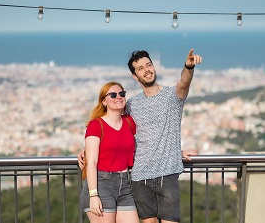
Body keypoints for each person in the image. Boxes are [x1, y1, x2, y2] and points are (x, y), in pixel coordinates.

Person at [79, 49, 202, 223]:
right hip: (139, 178)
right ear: (135, 76)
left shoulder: (172, 96)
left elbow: (184, 82)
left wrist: (188, 67)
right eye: (140, 68)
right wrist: (86, 151)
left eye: (149, 65)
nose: (147, 70)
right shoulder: (131, 105)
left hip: (166, 176)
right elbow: (111, 128)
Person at [80, 81, 139, 223]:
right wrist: (93, 195)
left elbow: (146, 144)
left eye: (122, 94)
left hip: (124, 184)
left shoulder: (129, 122)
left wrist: (177, 152)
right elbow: (92, 162)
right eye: (113, 95)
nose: (118, 97)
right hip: (101, 184)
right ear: (104, 101)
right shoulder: (96, 125)